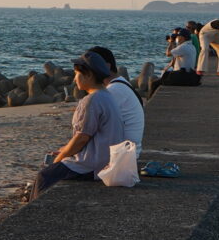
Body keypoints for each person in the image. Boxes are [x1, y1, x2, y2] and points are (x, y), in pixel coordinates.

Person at [35, 47, 145, 191]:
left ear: (88, 75)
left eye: (77, 74)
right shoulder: (108, 95)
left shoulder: (92, 100)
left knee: (44, 176)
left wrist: (59, 159)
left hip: (93, 164)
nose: (74, 79)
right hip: (109, 158)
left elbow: (82, 137)